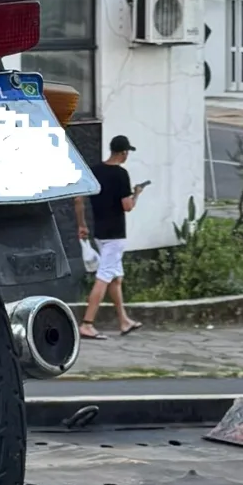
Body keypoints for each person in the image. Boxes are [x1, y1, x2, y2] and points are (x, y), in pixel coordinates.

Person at [76, 134, 146, 337]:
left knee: (115, 278)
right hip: (115, 233)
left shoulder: (95, 171)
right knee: (104, 277)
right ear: (124, 153)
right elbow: (128, 206)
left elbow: (78, 199)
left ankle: (124, 321)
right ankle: (87, 324)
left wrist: (81, 224)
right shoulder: (121, 175)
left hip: (99, 231)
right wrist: (137, 194)